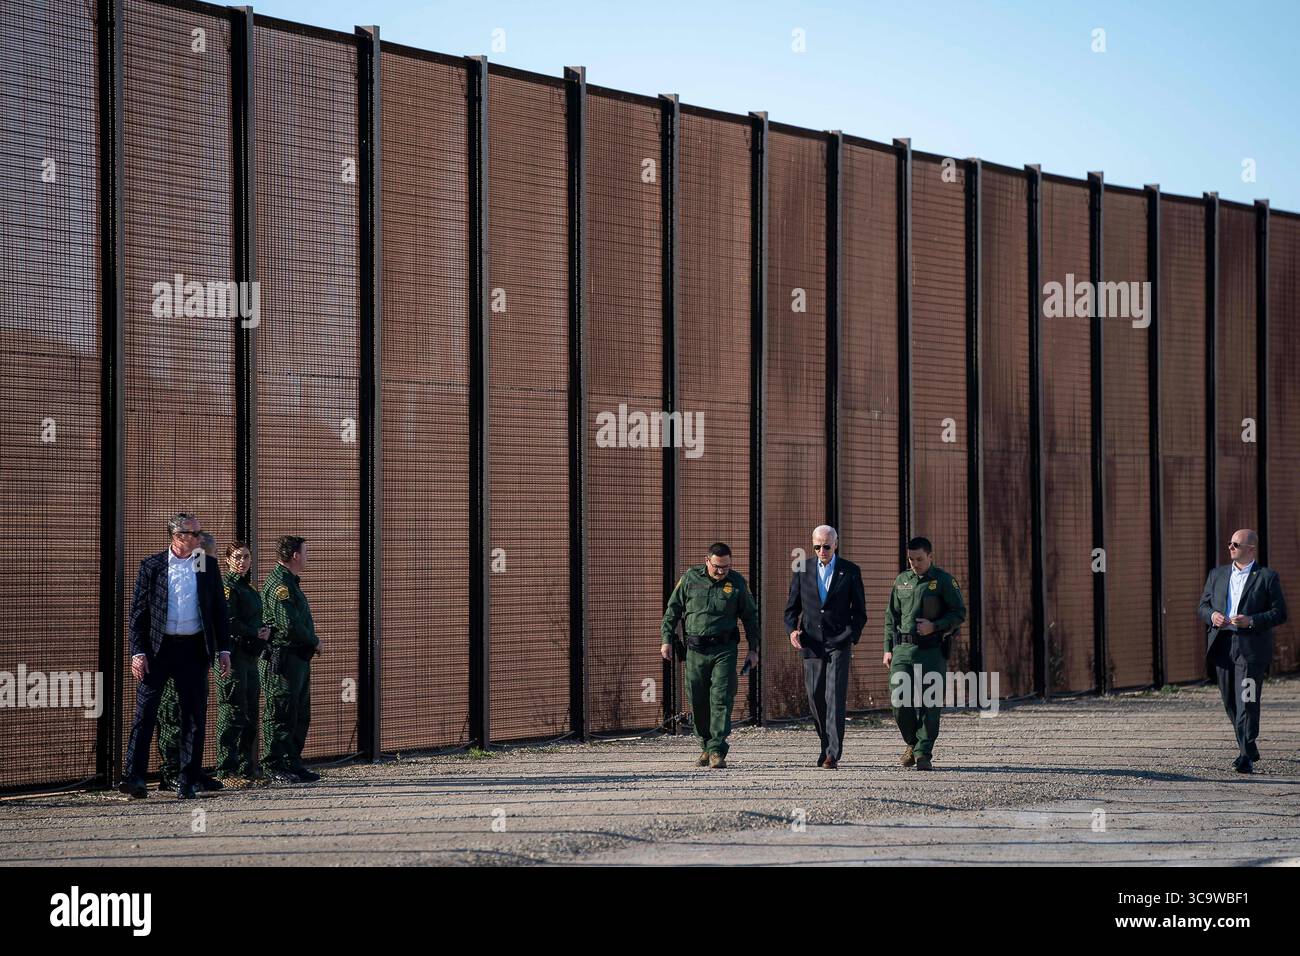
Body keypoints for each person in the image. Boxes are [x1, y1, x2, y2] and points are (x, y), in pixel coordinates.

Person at [119, 513, 231, 799]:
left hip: (193, 649)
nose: (199, 538)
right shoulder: (153, 566)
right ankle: (134, 778)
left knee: (193, 715)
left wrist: (223, 650)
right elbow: (139, 614)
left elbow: (219, 610)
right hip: (159, 649)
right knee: (145, 713)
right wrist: (138, 652)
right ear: (177, 536)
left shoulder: (205, 564)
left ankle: (188, 779)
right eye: (194, 534)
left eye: (200, 533)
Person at [660, 543, 759, 769]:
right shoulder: (690, 579)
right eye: (717, 567)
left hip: (724, 649)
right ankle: (705, 745)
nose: (722, 571)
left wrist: (754, 649)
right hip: (695, 650)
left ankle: (716, 749)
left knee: (721, 697)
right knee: (697, 698)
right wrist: (666, 639)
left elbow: (750, 618)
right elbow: (672, 611)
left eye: (726, 567)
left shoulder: (736, 583)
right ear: (707, 561)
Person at [1197, 529, 1288, 773]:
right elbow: (1202, 606)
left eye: (1236, 544)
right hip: (1223, 645)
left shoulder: (1267, 577)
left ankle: (1246, 754)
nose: (1230, 547)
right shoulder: (1217, 574)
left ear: (1250, 549)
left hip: (1250, 648)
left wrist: (1251, 620)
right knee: (1230, 701)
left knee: (1246, 700)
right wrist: (1212, 615)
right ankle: (1247, 744)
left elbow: (1280, 613)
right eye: (1229, 543)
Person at [784, 525, 867, 769]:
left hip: (839, 642)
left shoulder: (850, 571)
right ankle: (824, 743)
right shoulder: (803, 569)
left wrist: (850, 635)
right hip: (811, 643)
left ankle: (833, 752)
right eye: (817, 546)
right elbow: (791, 609)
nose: (822, 551)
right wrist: (792, 631)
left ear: (836, 544)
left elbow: (859, 612)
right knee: (815, 696)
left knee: (834, 696)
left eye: (827, 546)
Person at [883, 536, 965, 771]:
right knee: (899, 700)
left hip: (931, 651)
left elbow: (958, 613)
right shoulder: (902, 581)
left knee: (930, 703)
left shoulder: (943, 581)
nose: (915, 563)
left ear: (930, 556)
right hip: (902, 651)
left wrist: (935, 626)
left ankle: (923, 753)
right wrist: (887, 648)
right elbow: (891, 617)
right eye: (911, 559)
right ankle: (913, 742)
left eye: (919, 559)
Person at [155, 530, 220, 791]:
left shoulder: (204, 579)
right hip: (176, 654)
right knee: (174, 716)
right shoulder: (177, 578)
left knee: (194, 718)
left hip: (196, 656)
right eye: (203, 557)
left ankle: (191, 770)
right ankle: (172, 771)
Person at [261, 535, 321, 784]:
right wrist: (313, 640)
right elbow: (288, 624)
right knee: (281, 711)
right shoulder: (280, 585)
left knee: (299, 712)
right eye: (305, 552)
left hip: (298, 658)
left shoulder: (291, 583)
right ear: (295, 555)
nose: (307, 557)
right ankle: (274, 763)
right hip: (284, 658)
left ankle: (292, 761)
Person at [214, 540, 270, 786]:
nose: (242, 561)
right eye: (237, 557)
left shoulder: (250, 588)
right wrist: (252, 631)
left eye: (246, 557)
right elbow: (227, 620)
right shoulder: (228, 587)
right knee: (232, 711)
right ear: (227, 560)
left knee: (249, 713)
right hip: (233, 655)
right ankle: (227, 771)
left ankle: (248, 769)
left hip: (250, 657)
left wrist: (265, 631)